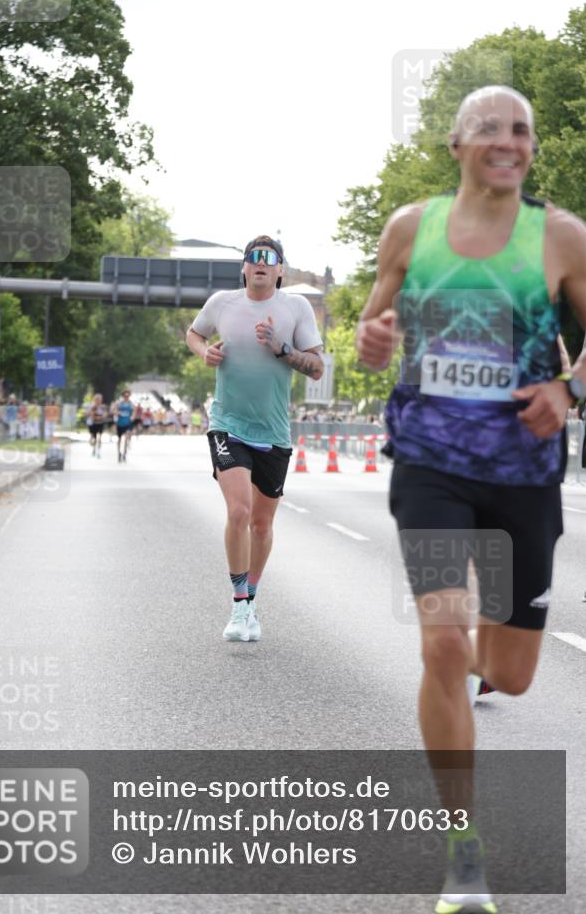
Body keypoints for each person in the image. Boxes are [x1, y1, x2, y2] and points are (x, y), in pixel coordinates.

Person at [355, 85, 586, 914]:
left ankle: (492, 662)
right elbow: (370, 334)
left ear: (529, 151)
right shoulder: (410, 230)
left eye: (521, 129)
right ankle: (462, 850)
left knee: (513, 676)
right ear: (455, 145)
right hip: (430, 467)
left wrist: (567, 388)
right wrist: (374, 337)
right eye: (489, 127)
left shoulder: (560, 238)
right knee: (442, 645)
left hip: (523, 475)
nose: (507, 139)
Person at [186, 234, 324, 642]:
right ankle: (238, 604)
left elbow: (316, 367)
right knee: (240, 512)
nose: (261, 263)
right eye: (254, 258)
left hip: (274, 431)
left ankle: (252, 598)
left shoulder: (295, 307)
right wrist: (204, 351)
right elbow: (194, 334)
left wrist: (282, 349)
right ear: (244, 267)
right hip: (227, 423)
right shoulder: (222, 303)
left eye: (270, 259)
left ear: (280, 270)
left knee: (262, 526)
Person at [113, 389, 134, 462]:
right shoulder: (119, 403)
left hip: (127, 423)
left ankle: (125, 453)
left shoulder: (131, 403)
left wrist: (132, 417)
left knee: (126, 437)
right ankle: (119, 453)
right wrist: (118, 413)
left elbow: (134, 411)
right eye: (125, 395)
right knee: (119, 439)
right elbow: (114, 411)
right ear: (123, 396)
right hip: (120, 423)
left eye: (128, 396)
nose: (126, 397)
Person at [86, 393, 107, 457]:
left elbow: (105, 414)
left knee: (100, 437)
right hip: (93, 423)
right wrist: (94, 416)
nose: (98, 401)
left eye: (99, 399)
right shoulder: (92, 406)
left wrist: (102, 417)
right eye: (97, 399)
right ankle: (94, 449)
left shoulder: (103, 406)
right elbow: (88, 414)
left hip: (100, 423)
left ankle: (98, 451)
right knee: (94, 438)